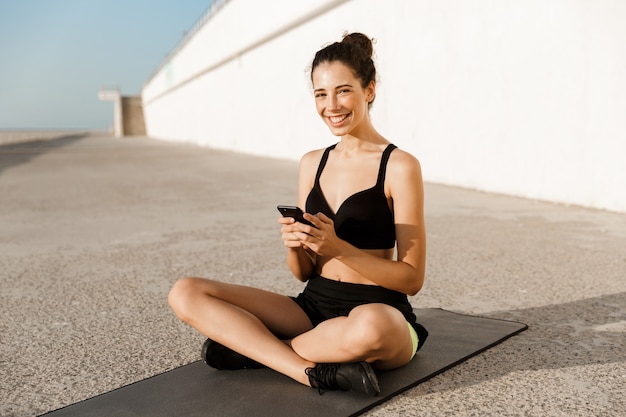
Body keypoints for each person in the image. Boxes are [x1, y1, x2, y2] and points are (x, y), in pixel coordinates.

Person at [168, 32, 428, 396]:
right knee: (186, 291)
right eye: (321, 94)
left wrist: (339, 249)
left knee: (375, 327)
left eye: (343, 90)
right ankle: (307, 371)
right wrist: (295, 245)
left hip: (377, 309)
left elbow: (412, 279)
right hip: (312, 306)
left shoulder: (399, 166)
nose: (331, 105)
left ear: (368, 90)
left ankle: (258, 351)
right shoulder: (312, 163)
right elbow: (303, 272)